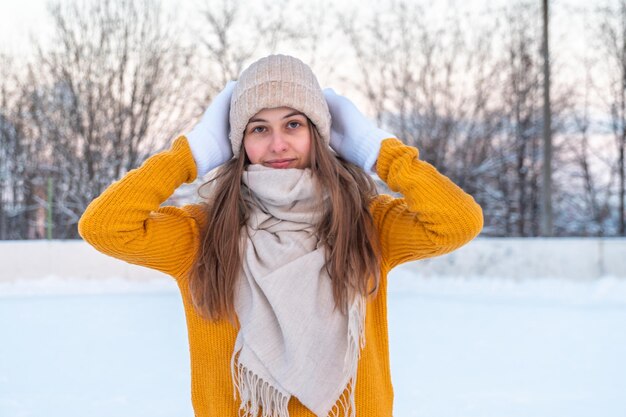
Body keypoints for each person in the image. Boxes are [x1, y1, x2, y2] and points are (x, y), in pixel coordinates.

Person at [79, 54, 483, 417]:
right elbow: (104, 226)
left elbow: (458, 221)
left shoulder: (367, 225)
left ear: (319, 135)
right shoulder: (200, 236)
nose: (277, 144)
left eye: (293, 124)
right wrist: (191, 153)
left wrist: (379, 150)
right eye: (258, 129)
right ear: (237, 144)